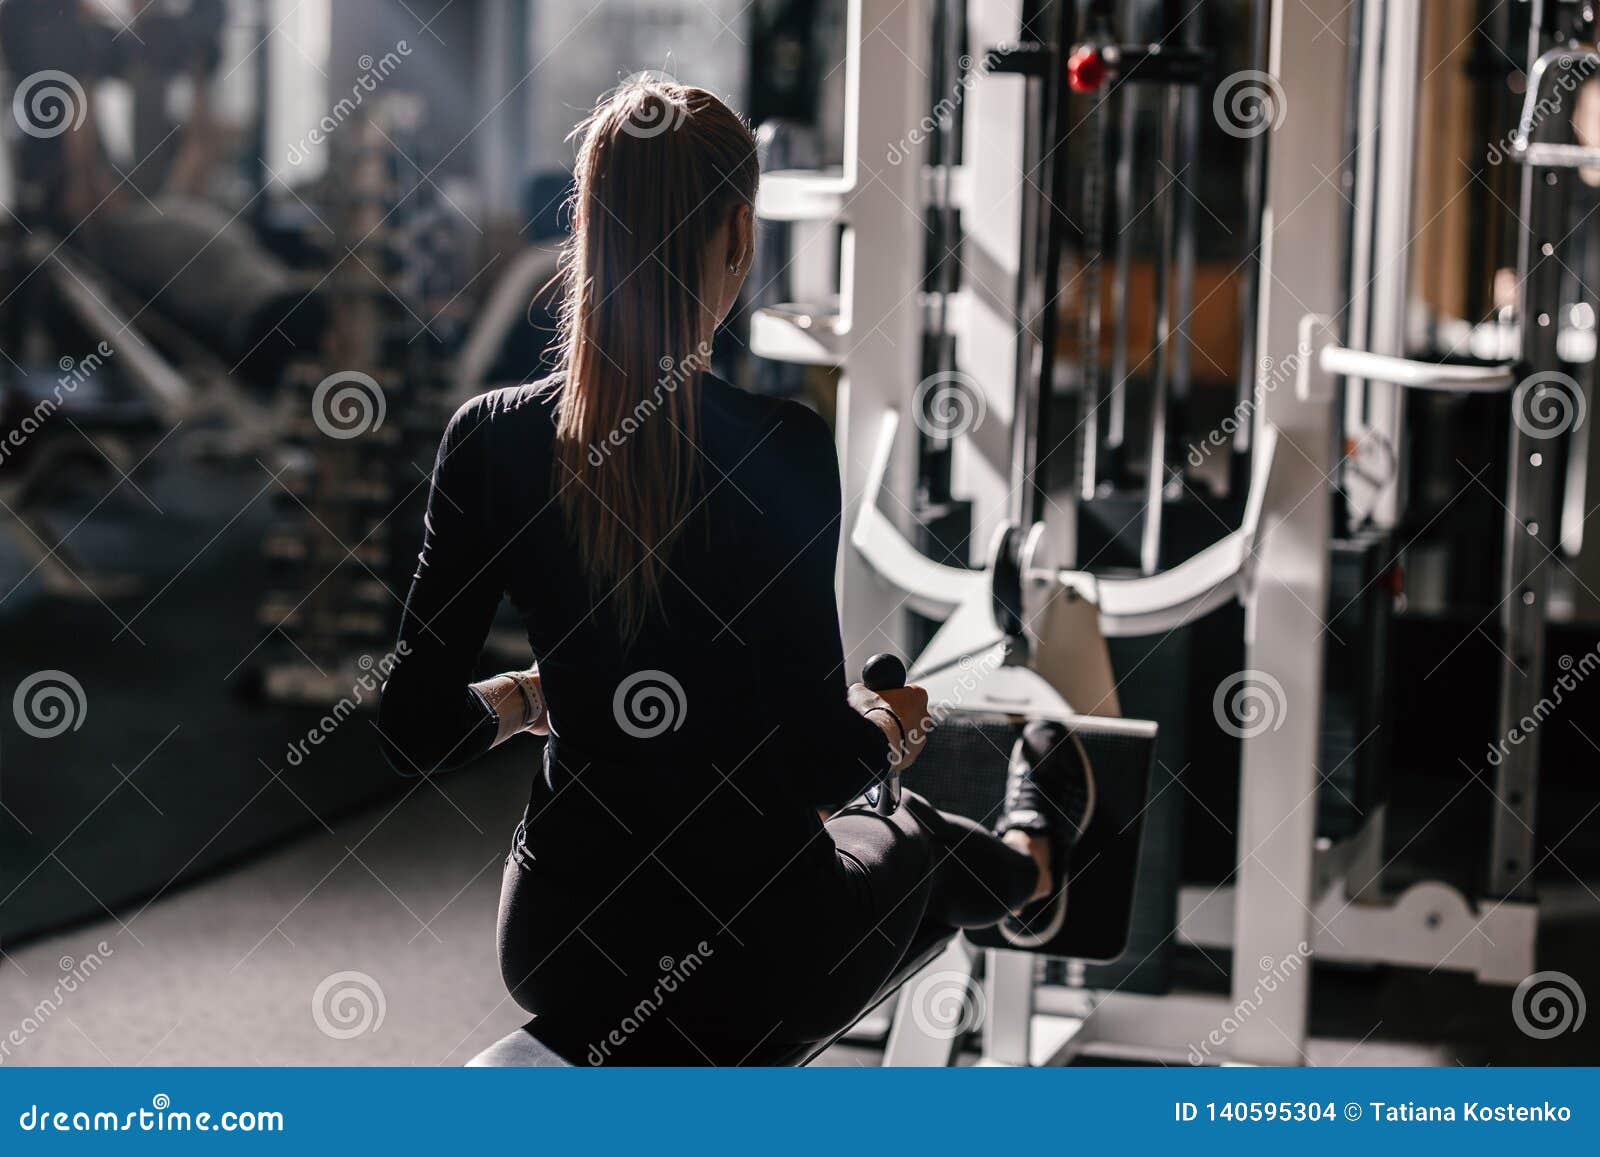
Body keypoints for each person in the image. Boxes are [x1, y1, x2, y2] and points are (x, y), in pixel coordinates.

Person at [377, 80, 1092, 1065]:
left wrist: (530, 695)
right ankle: (1036, 864)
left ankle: (1020, 865)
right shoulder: (784, 446)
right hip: (759, 952)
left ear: (587, 230)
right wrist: (897, 718)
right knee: (918, 838)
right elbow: (822, 768)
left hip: (558, 944)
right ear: (738, 235)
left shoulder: (487, 439)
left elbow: (414, 727)